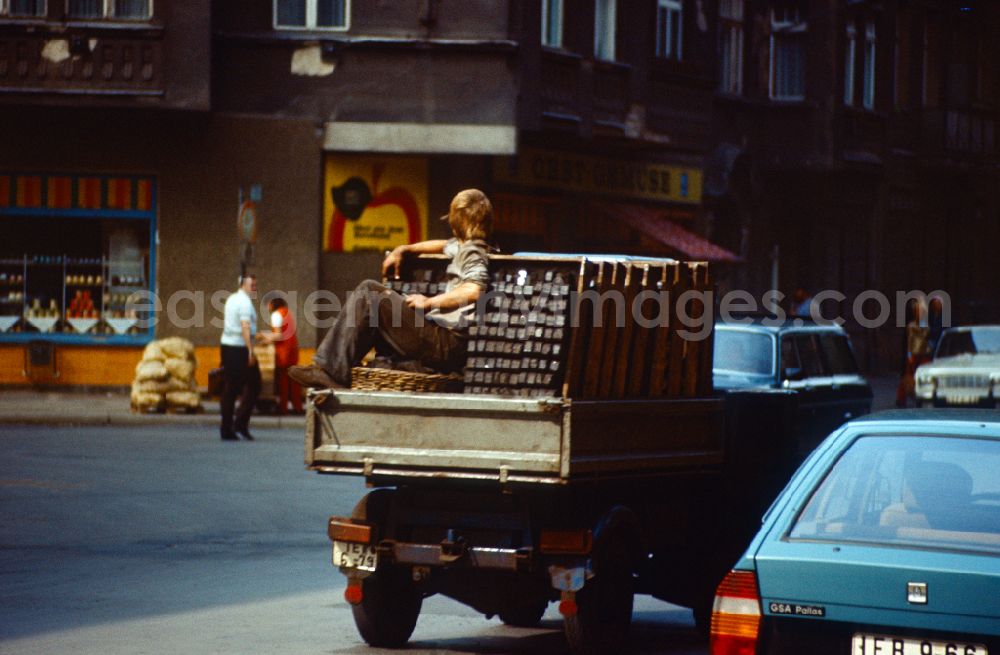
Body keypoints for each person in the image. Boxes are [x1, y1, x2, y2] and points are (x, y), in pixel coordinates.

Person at [289, 188, 492, 389]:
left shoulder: (472, 253)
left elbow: (474, 289)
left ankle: (331, 371)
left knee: (370, 292)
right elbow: (442, 245)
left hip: (446, 343)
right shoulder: (470, 246)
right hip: (446, 343)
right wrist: (404, 249)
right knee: (378, 306)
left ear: (456, 220)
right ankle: (338, 368)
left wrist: (429, 302)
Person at [219, 273, 261, 440]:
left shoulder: (232, 299)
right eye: (252, 285)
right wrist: (250, 351)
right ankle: (234, 426)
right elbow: (245, 326)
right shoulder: (244, 302)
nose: (255, 288)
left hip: (228, 346)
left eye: (256, 285)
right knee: (245, 386)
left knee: (236, 387)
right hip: (239, 349)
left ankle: (233, 425)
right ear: (243, 285)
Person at [257, 296, 302, 415]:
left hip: (283, 352)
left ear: (272, 305)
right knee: (293, 380)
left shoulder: (276, 315)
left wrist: (265, 338)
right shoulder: (288, 314)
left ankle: (283, 408)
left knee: (283, 381)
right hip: (292, 350)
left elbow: (278, 335)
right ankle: (298, 407)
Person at [896, 297, 931, 408]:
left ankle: (922, 396)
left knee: (924, 375)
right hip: (913, 353)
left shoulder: (926, 325)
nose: (919, 313)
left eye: (921, 311)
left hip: (924, 353)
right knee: (907, 376)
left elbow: (927, 339)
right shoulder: (911, 325)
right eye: (917, 310)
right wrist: (909, 355)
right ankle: (901, 399)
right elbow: (909, 341)